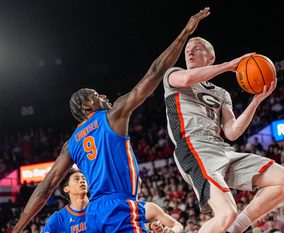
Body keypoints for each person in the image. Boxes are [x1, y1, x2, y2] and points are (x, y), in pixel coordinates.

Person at [12, 7, 210, 233]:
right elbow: (155, 72)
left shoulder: (72, 144)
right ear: (87, 105)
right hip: (118, 206)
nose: (105, 97)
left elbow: (44, 189)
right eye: (97, 96)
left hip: (94, 214)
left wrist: (18, 228)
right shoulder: (112, 115)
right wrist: (184, 33)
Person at [162, 36, 284, 233]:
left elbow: (232, 132)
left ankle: (235, 229)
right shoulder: (174, 75)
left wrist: (256, 101)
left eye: (197, 48)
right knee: (226, 212)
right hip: (194, 146)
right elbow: (186, 79)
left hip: (222, 149)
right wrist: (228, 65)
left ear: (210, 58)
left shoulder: (221, 93)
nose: (190, 52)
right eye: (187, 50)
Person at [41, 168, 88, 233]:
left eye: (84, 178)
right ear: (66, 189)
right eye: (76, 179)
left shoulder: (100, 207)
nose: (82, 181)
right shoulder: (59, 218)